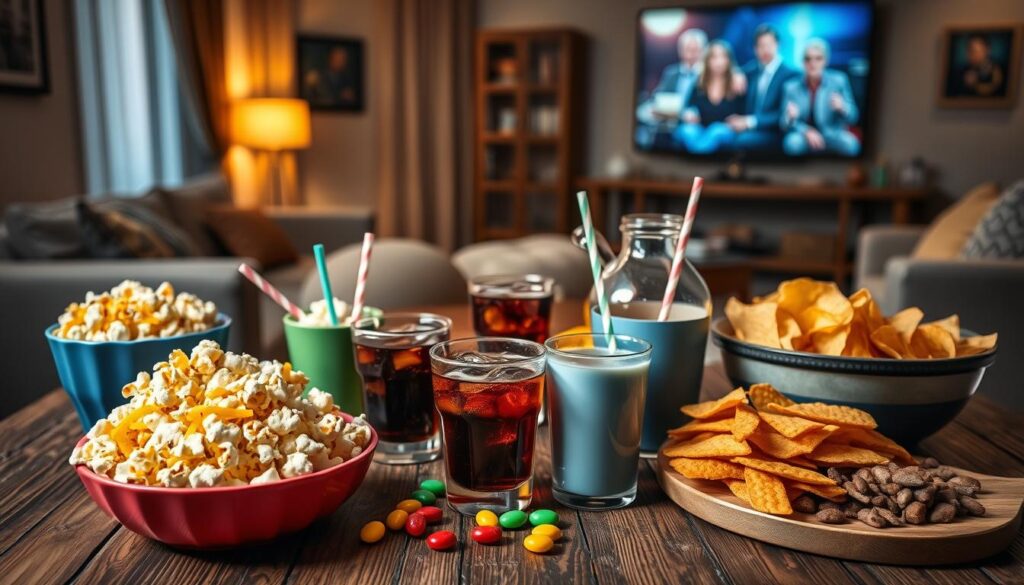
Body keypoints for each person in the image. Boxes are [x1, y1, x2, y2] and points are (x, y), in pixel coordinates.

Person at [780, 38, 860, 156]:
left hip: (832, 134)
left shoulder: (839, 80)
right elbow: (783, 123)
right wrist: (793, 119)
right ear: (803, 62)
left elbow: (854, 117)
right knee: (791, 143)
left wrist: (843, 108)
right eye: (808, 59)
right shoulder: (790, 87)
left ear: (825, 61)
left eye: (818, 58)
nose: (813, 63)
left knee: (851, 144)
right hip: (803, 136)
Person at [727, 24, 798, 152]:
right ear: (755, 49)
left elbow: (783, 116)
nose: (765, 50)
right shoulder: (752, 70)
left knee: (742, 141)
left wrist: (748, 122)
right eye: (761, 46)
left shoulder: (790, 75)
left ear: (778, 45)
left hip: (775, 132)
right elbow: (738, 70)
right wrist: (736, 73)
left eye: (769, 45)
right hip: (751, 130)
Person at [674, 40, 746, 154]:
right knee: (686, 131)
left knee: (716, 131)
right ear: (707, 61)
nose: (719, 62)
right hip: (701, 129)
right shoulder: (699, 83)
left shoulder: (737, 82)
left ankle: (696, 164)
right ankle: (700, 156)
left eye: (723, 57)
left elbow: (744, 112)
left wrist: (738, 74)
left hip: (725, 130)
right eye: (714, 57)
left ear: (729, 60)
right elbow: (688, 107)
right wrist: (690, 113)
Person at [636, 29, 708, 129]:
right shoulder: (671, 72)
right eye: (688, 49)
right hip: (669, 121)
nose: (691, 54)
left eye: (695, 50)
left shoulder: (708, 74)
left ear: (703, 51)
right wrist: (654, 107)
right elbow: (658, 96)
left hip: (697, 125)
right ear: (680, 51)